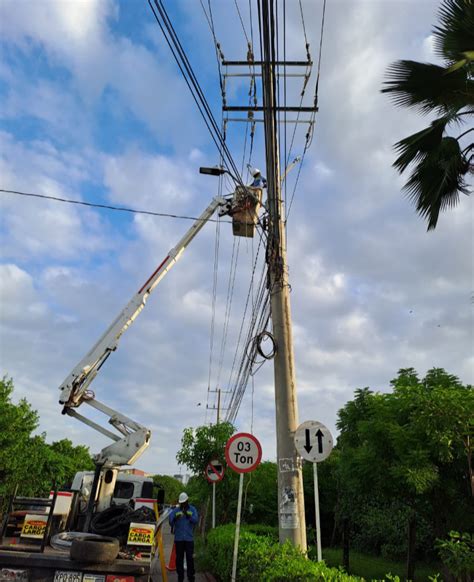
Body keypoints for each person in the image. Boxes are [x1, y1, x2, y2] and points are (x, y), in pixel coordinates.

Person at [169, 492, 199, 582]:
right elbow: (170, 522)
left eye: (184, 502)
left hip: (189, 539)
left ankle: (191, 577)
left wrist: (188, 515)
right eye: (181, 503)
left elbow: (196, 520)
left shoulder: (193, 509)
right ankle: (180, 577)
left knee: (190, 559)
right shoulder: (176, 510)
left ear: (187, 501)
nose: (183, 504)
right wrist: (175, 519)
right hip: (179, 539)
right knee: (179, 559)